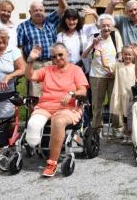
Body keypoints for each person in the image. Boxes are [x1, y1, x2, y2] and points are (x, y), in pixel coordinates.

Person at [24, 43, 88, 177]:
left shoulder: (76, 69)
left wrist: (71, 93)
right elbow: (30, 76)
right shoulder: (48, 69)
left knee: (57, 121)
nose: (58, 58)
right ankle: (36, 147)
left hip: (69, 108)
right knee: (33, 124)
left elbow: (82, 90)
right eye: (54, 56)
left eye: (60, 55)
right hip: (46, 106)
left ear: (67, 54)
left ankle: (52, 162)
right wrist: (30, 60)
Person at [17, 0, 68, 97]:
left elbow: (63, 8)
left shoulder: (50, 21)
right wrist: (25, 65)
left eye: (41, 10)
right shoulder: (23, 27)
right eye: (35, 10)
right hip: (35, 64)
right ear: (30, 12)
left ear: (44, 11)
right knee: (35, 96)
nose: (38, 12)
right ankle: (36, 114)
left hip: (52, 63)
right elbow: (19, 48)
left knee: (53, 92)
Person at [82, 14, 123, 134]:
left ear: (112, 26)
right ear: (99, 26)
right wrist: (92, 45)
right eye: (103, 25)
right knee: (96, 103)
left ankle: (117, 127)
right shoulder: (94, 37)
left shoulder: (116, 36)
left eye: (108, 25)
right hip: (97, 75)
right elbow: (84, 55)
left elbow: (120, 54)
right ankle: (97, 128)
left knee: (115, 101)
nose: (106, 28)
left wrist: (115, 68)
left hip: (113, 74)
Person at [109, 46, 136, 144]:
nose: (127, 56)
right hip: (120, 92)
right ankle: (125, 131)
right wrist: (101, 52)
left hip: (129, 95)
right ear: (122, 55)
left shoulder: (134, 67)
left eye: (130, 54)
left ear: (133, 56)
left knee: (129, 115)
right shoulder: (118, 65)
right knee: (123, 115)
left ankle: (130, 133)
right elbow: (106, 66)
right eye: (125, 54)